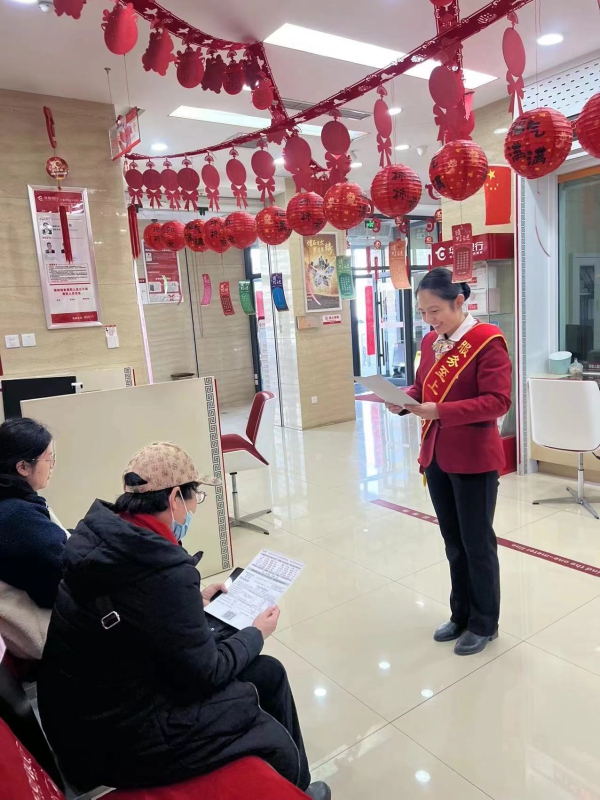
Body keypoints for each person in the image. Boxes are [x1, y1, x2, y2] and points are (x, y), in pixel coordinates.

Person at [38, 442, 330, 800]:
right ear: (175, 497)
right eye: (195, 498)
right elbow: (208, 672)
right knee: (268, 732)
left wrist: (193, 602)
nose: (194, 508)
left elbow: (142, 614)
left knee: (267, 672)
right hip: (117, 737)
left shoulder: (105, 540)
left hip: (84, 717)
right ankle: (294, 785)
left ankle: (298, 788)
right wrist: (256, 632)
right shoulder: (159, 567)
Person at [386, 268, 512, 656]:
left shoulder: (487, 341)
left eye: (435, 310)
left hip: (473, 457)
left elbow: (497, 401)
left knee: (477, 544)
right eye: (423, 312)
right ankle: (460, 614)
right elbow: (422, 387)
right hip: (436, 454)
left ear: (459, 301)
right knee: (453, 543)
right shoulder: (431, 341)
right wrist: (404, 400)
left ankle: (484, 623)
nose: (430, 320)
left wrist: (439, 411)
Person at [0, 418, 67, 660]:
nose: (53, 467)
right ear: (23, 467)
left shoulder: (13, 504)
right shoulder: (17, 517)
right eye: (49, 460)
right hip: (48, 642)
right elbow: (62, 580)